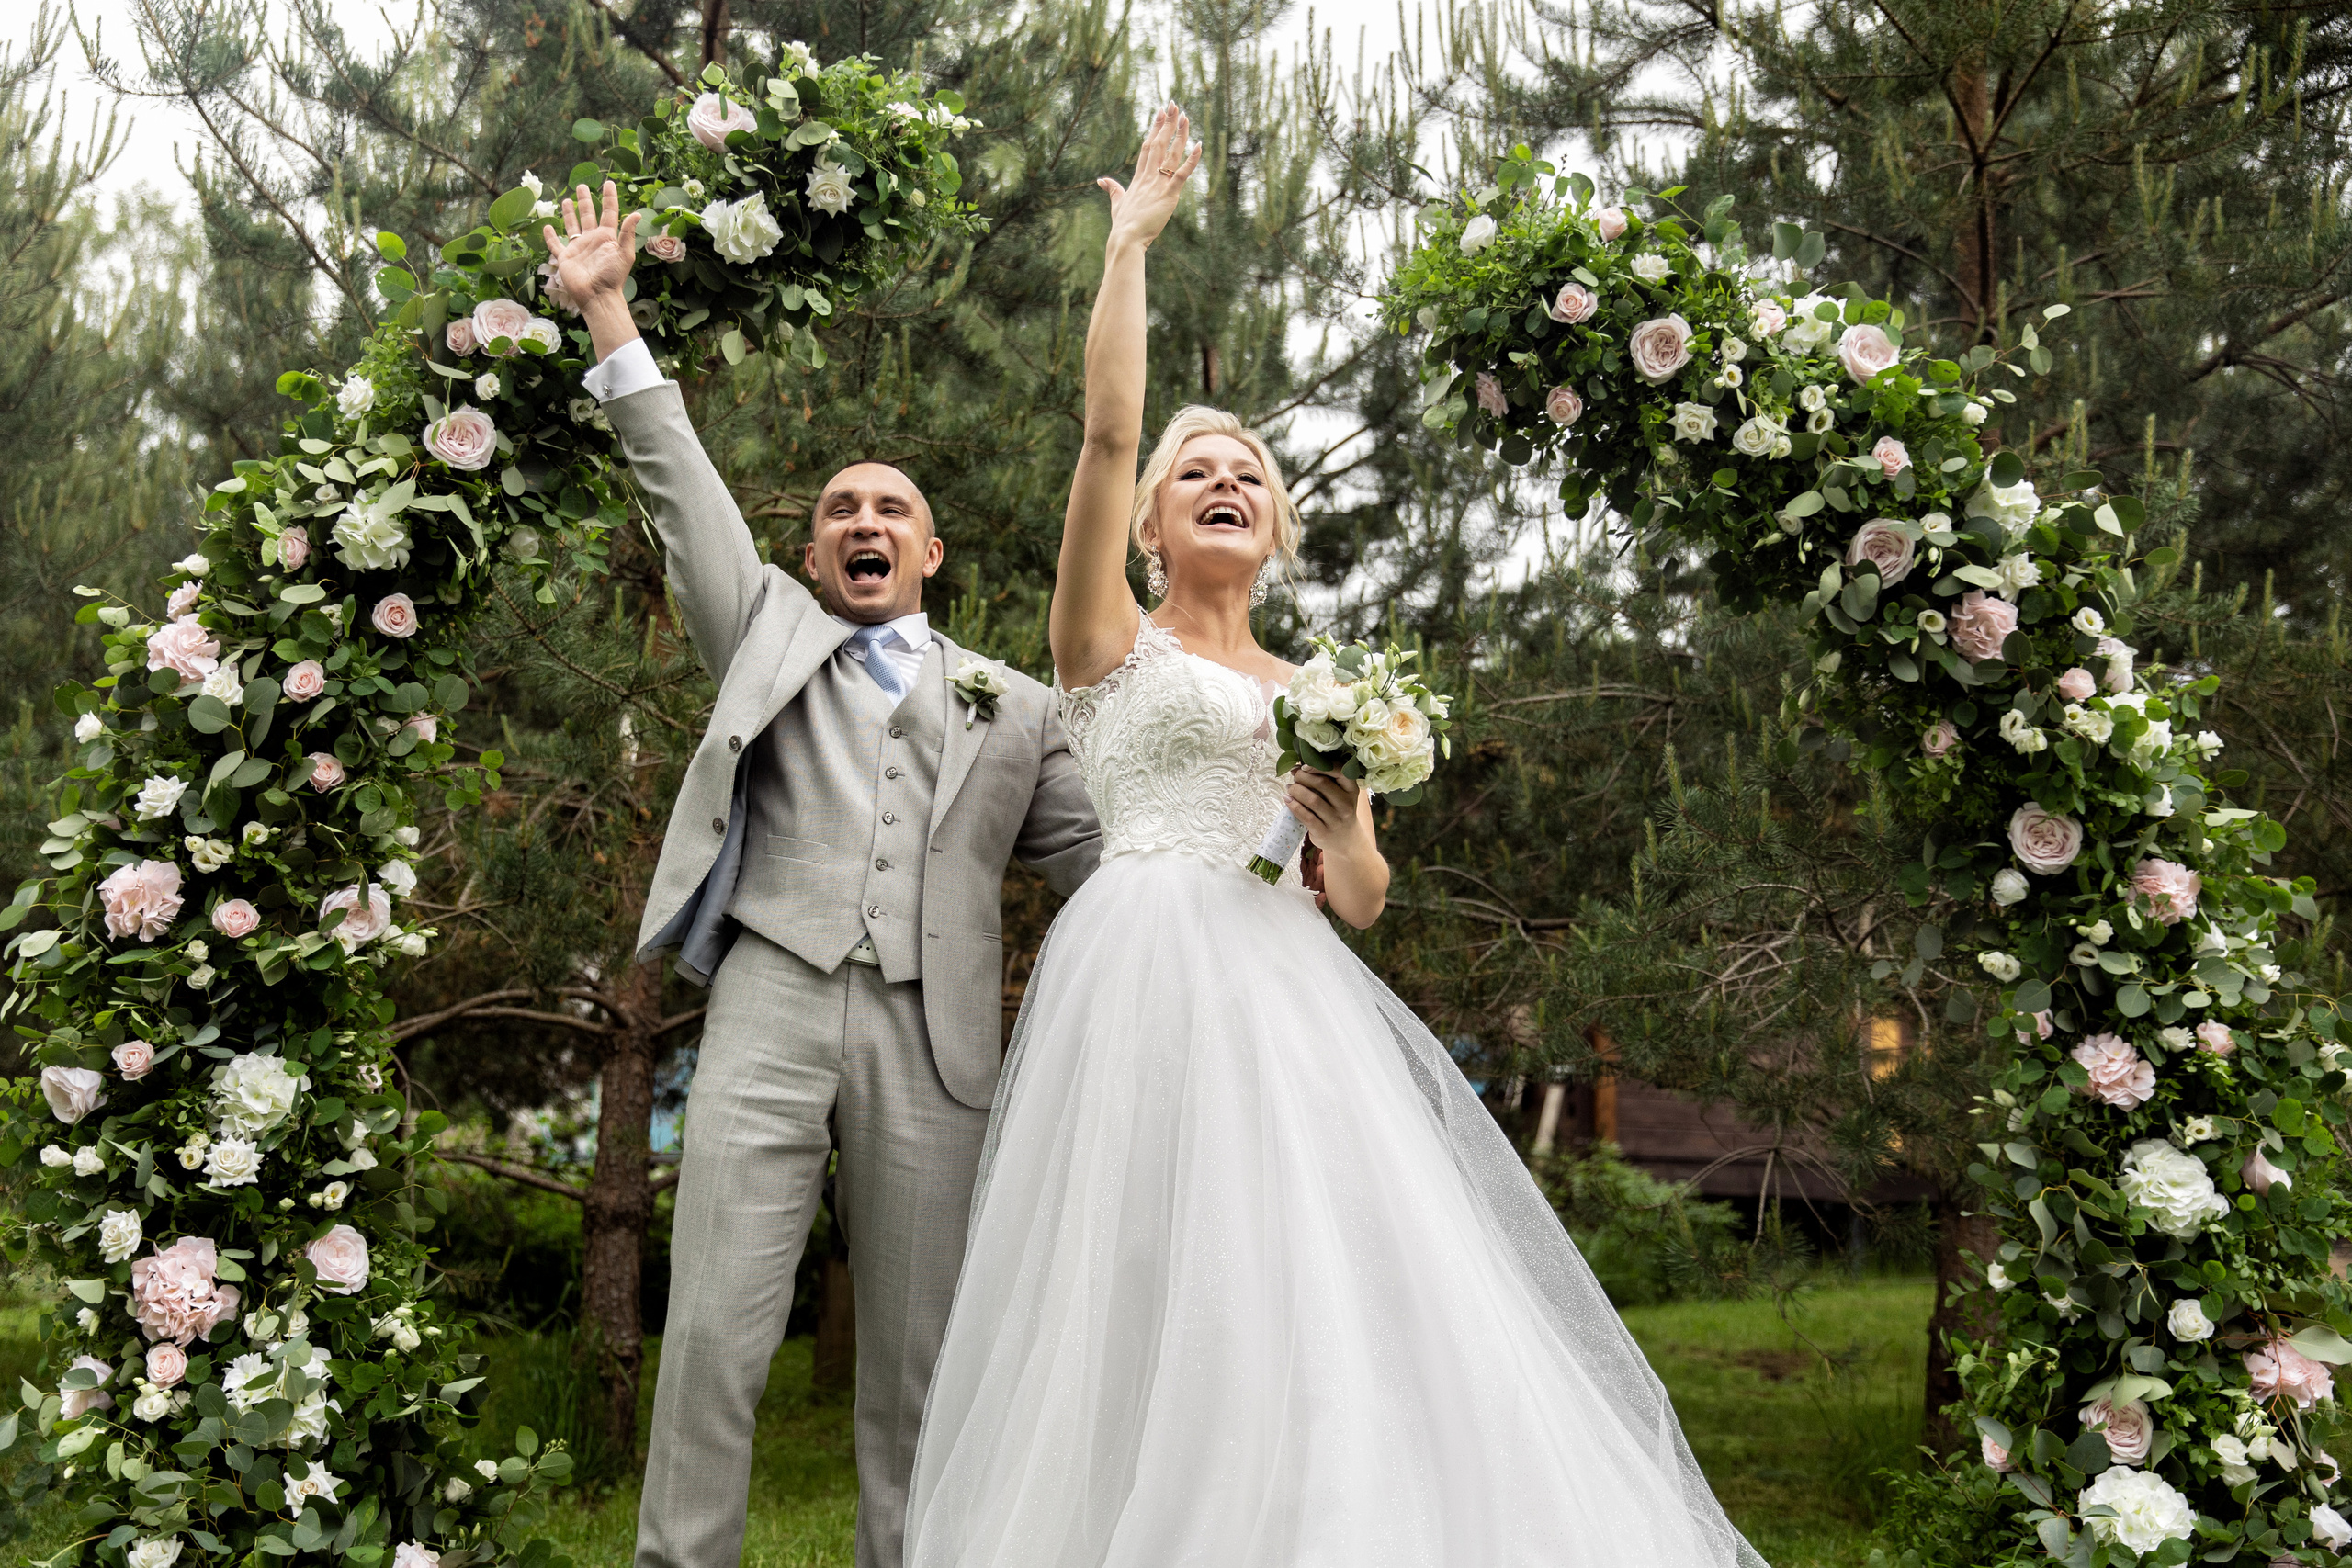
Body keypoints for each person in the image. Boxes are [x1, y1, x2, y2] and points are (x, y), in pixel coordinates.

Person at [901, 107, 1770, 1566]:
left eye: (1247, 472)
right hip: (1145, 967)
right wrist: (1130, 248)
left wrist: (1345, 821)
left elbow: (1359, 897)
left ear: (1277, 526)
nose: (1222, 482)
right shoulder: (1105, 642)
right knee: (1144, 1265)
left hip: (1291, 988)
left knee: (1306, 1274)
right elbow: (1107, 430)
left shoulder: (1325, 694)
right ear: (1149, 529)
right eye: (1195, 473)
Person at [542, 183, 1102, 1568]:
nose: (865, 520)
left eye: (891, 509)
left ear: (929, 552)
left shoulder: (1020, 709)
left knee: (923, 1374)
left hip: (939, 1040)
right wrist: (609, 315)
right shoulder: (767, 636)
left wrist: (1268, 851)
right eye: (840, 508)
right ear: (810, 554)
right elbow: (684, 495)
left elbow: (1116, 860)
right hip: (772, 1009)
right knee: (713, 1339)